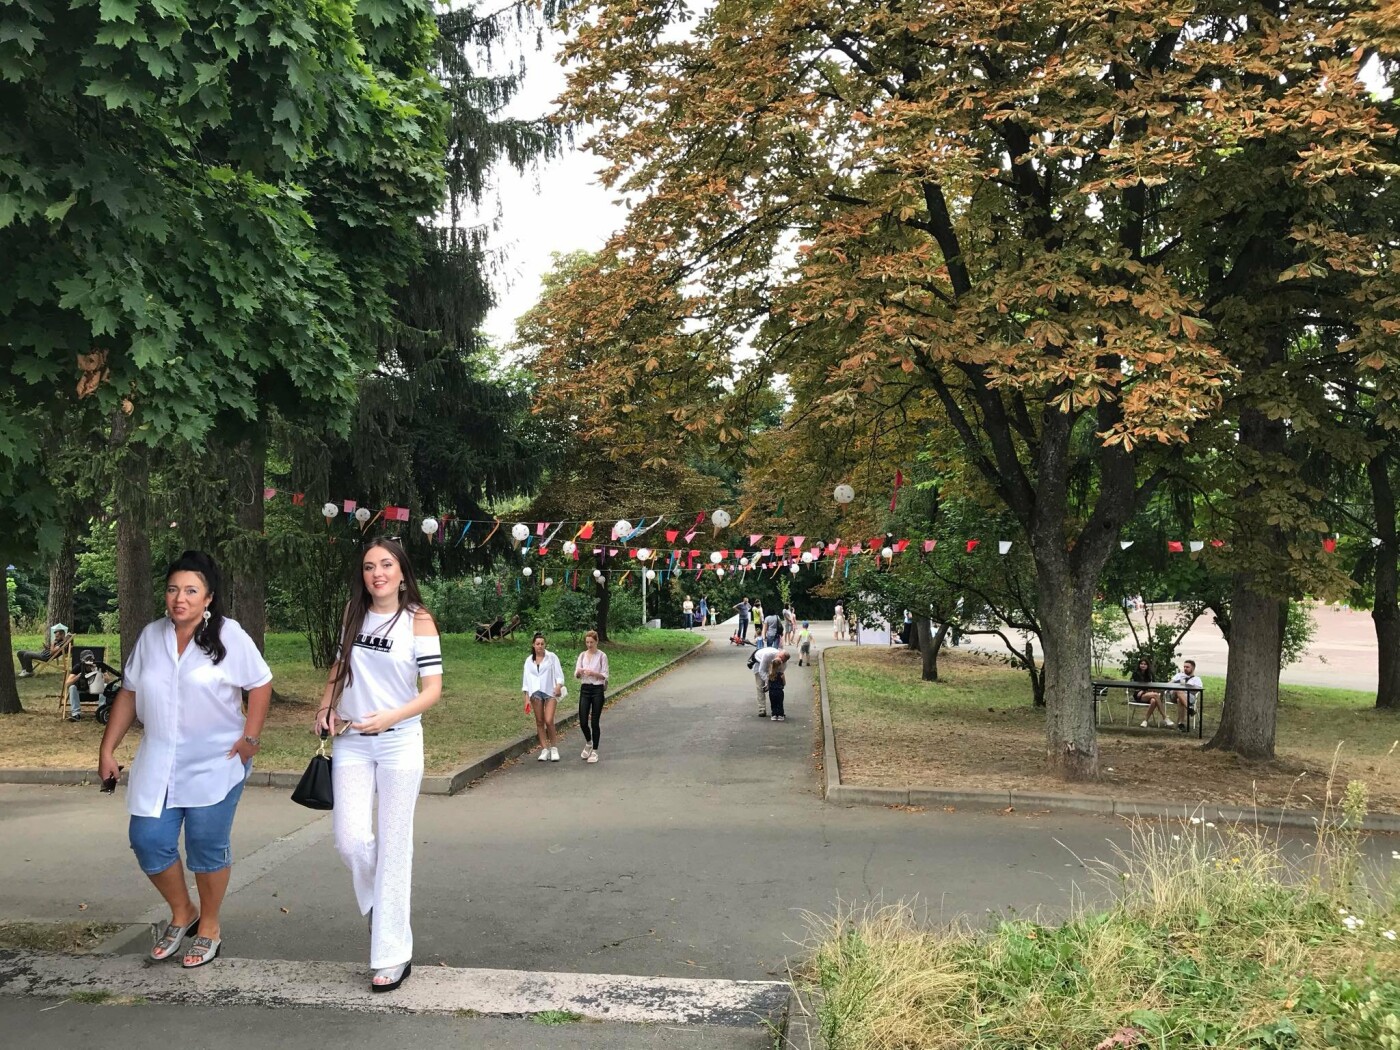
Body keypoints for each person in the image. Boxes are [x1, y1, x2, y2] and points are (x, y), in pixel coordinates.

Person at [98, 551, 271, 970]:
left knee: (206, 848)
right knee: (149, 840)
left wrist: (250, 737)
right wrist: (107, 749)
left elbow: (261, 684)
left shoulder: (230, 636)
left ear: (209, 597)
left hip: (216, 761)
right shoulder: (152, 636)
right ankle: (183, 911)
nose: (180, 598)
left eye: (191, 591)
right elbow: (129, 693)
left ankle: (209, 925)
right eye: (173, 589)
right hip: (159, 758)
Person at [315, 537, 443, 993]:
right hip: (351, 740)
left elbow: (431, 691)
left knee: (394, 846)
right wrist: (325, 706)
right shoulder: (354, 613)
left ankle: (391, 953)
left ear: (402, 572)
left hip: (398, 742)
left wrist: (391, 715)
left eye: (386, 564)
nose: (378, 573)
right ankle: (381, 906)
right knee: (350, 841)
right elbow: (338, 666)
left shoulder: (419, 621)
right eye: (369, 566)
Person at [522, 632, 565, 761]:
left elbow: (559, 675)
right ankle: (544, 748)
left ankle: (554, 747)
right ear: (533, 645)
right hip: (536, 693)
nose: (540, 646)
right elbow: (526, 681)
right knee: (539, 721)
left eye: (542, 644)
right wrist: (526, 698)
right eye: (537, 644)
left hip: (550, 691)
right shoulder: (529, 661)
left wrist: (558, 686)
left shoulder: (551, 657)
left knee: (549, 719)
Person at [574, 630, 609, 763]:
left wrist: (594, 673)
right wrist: (579, 672)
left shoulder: (602, 656)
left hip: (597, 689)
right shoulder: (582, 655)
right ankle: (588, 742)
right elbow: (576, 674)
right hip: (585, 688)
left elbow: (605, 675)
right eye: (587, 642)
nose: (589, 645)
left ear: (596, 642)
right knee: (583, 721)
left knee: (594, 721)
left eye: (591, 642)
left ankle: (595, 750)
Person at [64, 648, 118, 721]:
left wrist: (99, 673)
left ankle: (101, 711)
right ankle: (76, 714)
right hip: (82, 691)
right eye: (87, 659)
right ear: (82, 660)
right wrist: (78, 676)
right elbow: (68, 683)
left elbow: (108, 680)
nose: (89, 661)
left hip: (96, 691)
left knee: (104, 686)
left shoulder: (98, 666)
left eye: (91, 659)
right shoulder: (78, 667)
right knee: (72, 688)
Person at [751, 646, 789, 718]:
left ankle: (778, 711)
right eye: (780, 658)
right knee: (760, 687)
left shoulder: (784, 663)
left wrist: (776, 682)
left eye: (782, 661)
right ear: (779, 654)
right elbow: (762, 670)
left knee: (774, 691)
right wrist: (768, 682)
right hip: (759, 663)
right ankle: (762, 709)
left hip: (772, 666)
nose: (780, 660)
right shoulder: (768, 655)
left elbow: (780, 673)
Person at [1131, 657, 1169, 728]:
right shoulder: (1136, 673)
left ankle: (1145, 721)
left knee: (1154, 701)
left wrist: (1144, 690)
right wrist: (1143, 690)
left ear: (1147, 665)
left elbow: (1153, 685)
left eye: (1145, 664)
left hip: (1148, 694)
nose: (1143, 665)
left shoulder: (1150, 674)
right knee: (1156, 695)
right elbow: (1137, 686)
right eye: (1141, 664)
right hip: (1139, 695)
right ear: (1139, 665)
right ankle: (1165, 717)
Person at [1169, 659, 1203, 732]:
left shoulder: (1197, 679)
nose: (1185, 668)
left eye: (1187, 667)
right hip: (1174, 695)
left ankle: (1180, 723)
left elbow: (1197, 691)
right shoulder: (1178, 675)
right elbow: (1169, 684)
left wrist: (1186, 689)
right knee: (1178, 690)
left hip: (1189, 696)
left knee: (1180, 700)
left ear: (1193, 668)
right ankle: (1189, 708)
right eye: (1184, 667)